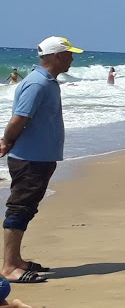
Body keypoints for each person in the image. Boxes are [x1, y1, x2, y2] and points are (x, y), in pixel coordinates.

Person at [1, 37, 82, 283]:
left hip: (39, 158)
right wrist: (5, 142)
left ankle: (16, 260)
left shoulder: (48, 81)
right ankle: (9, 267)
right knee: (20, 207)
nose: (72, 58)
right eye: (69, 54)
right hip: (30, 159)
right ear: (57, 56)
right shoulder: (37, 83)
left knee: (27, 208)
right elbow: (19, 118)